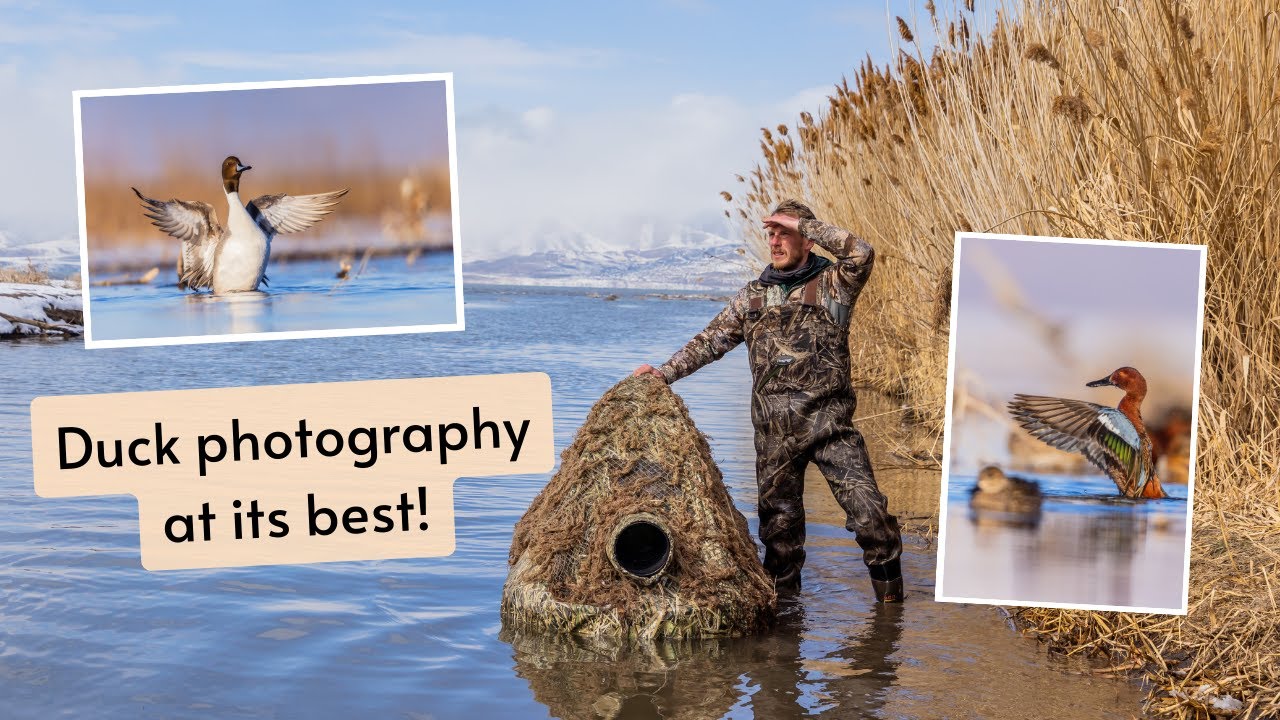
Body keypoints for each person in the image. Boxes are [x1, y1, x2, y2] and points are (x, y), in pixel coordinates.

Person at [634, 199, 904, 602]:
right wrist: (664, 374)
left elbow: (861, 252)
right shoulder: (752, 297)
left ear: (807, 239)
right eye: (771, 234)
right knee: (780, 542)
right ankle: (782, 637)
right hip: (774, 437)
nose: (775, 242)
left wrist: (805, 223)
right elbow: (710, 342)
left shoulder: (834, 284)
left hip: (830, 429)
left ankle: (890, 620)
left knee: (872, 521)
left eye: (785, 233)